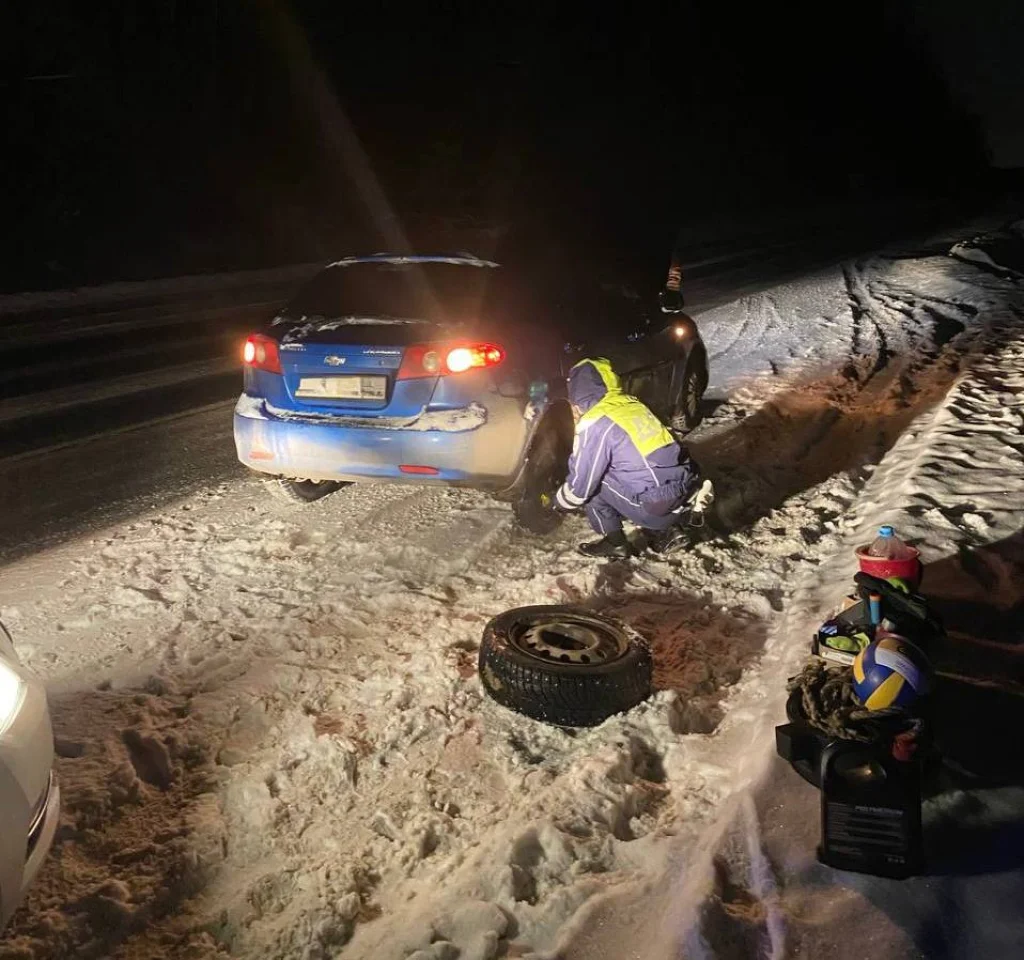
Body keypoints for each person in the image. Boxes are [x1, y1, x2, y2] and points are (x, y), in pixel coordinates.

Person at [555, 358, 714, 558]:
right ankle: (670, 526)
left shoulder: (596, 422)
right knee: (630, 471)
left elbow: (581, 487)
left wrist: (557, 503)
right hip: (686, 484)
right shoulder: (632, 405)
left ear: (579, 393)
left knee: (594, 485)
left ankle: (616, 543)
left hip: (659, 504)